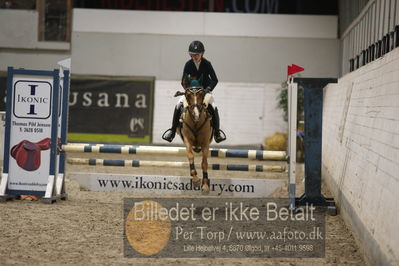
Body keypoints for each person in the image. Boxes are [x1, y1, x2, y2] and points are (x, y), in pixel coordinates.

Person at [162, 40, 226, 143]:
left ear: (202, 54)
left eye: (197, 54)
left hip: (205, 92)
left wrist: (208, 89)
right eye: (193, 54)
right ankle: (172, 131)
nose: (195, 56)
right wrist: (188, 90)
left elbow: (215, 79)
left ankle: (217, 133)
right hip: (191, 93)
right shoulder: (188, 64)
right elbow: (183, 80)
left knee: (213, 106)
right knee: (178, 105)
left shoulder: (207, 64)